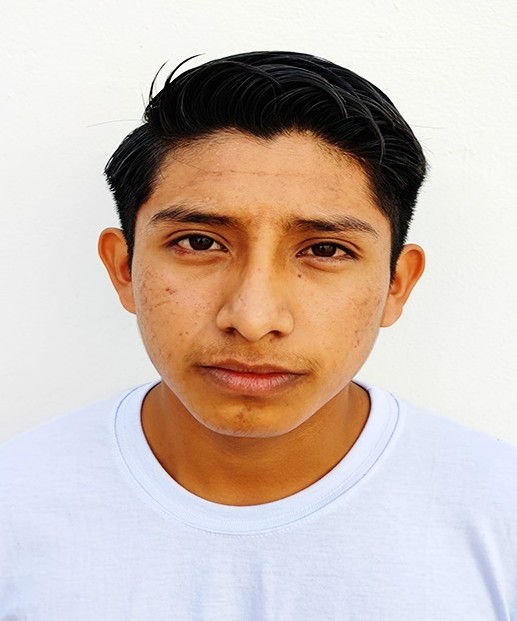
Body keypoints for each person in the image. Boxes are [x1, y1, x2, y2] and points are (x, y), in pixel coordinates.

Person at [1, 51, 516, 620]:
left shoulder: (501, 514)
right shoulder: (14, 507)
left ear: (397, 284)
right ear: (124, 269)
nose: (252, 317)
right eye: (199, 242)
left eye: (325, 250)